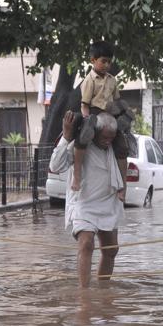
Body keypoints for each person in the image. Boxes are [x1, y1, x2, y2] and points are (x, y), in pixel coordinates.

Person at [49, 110, 125, 288]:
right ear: (95, 133)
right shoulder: (80, 145)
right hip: (84, 204)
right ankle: (84, 295)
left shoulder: (116, 147)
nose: (108, 142)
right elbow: (55, 166)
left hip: (109, 203)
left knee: (111, 250)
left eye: (111, 138)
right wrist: (66, 136)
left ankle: (103, 290)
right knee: (86, 244)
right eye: (104, 138)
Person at [72, 41, 127, 203]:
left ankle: (123, 185)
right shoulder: (89, 80)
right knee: (82, 139)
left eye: (109, 62)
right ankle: (76, 177)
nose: (107, 65)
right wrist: (88, 121)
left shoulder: (112, 80)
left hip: (110, 115)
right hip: (93, 114)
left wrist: (121, 117)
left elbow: (117, 101)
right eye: (103, 61)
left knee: (123, 146)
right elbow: (84, 105)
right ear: (93, 60)